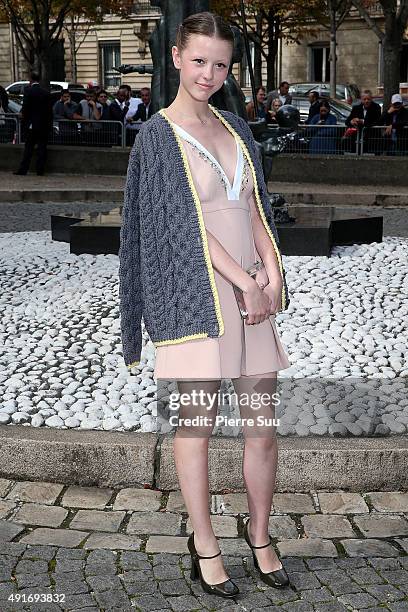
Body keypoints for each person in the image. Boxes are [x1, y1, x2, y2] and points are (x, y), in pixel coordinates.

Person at [119, 10, 291, 600]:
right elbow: (176, 225)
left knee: (262, 431)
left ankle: (261, 536)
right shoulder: (158, 136)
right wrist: (244, 281)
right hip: (196, 303)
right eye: (198, 60)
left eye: (219, 64)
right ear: (175, 58)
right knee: (195, 427)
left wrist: (270, 274)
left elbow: (255, 209)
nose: (209, 73)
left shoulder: (238, 130)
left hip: (251, 298)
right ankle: (205, 543)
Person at [14, 72, 53, 176]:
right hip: (43, 125)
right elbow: (49, 111)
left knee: (28, 148)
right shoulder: (46, 93)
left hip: (32, 124)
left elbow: (25, 108)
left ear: (30, 80)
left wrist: (24, 119)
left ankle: (23, 169)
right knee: (42, 148)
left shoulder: (29, 91)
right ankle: (40, 170)